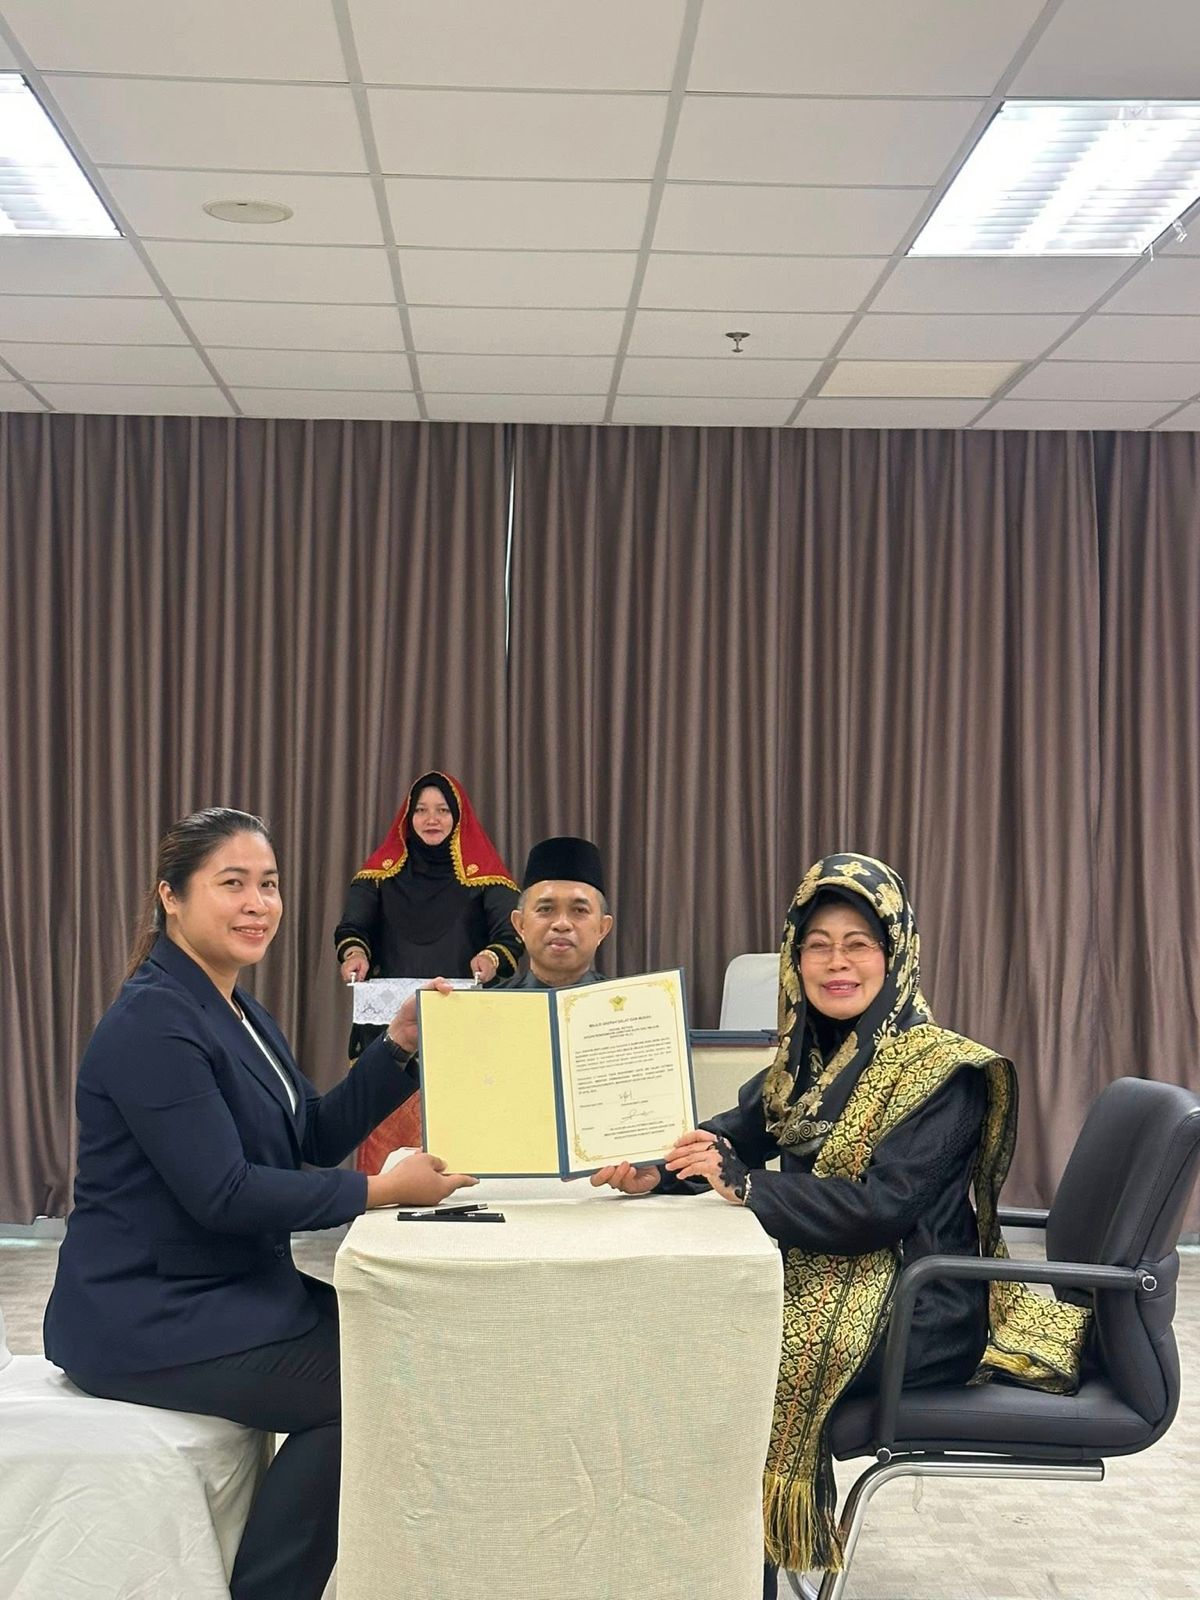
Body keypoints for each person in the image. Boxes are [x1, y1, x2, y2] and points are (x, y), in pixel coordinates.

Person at [592, 852, 1089, 1598]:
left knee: (724, 1359)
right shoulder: (807, 1057)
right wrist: (655, 1171)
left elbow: (879, 1210)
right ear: (794, 958)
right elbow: (732, 1135)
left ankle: (733, 1569)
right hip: (840, 1276)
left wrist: (749, 1186)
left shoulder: (943, 1073)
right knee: (687, 1328)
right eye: (817, 945)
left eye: (858, 944)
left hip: (925, 1307)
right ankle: (695, 1560)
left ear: (895, 953)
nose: (836, 963)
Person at [43, 807, 477, 1600]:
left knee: (402, 1337)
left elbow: (311, 1132)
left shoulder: (233, 1009)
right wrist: (380, 1192)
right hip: (147, 1316)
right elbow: (225, 1194)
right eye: (232, 884)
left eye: (269, 885)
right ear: (171, 896)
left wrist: (400, 1046)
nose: (258, 904)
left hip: (223, 1292)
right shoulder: (153, 1023)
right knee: (368, 1389)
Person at [335, 770, 521, 1169]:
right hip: (389, 1028)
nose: (431, 819)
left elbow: (511, 934)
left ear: (458, 817)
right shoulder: (379, 876)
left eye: (441, 810)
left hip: (463, 1024)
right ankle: (382, 1197)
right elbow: (354, 928)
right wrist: (354, 954)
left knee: (459, 1140)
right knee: (386, 1134)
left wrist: (490, 958)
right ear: (408, 818)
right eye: (420, 810)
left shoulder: (485, 878)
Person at [505, 835, 613, 989]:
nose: (562, 924)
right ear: (520, 924)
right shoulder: (489, 1002)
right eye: (545, 909)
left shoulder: (627, 1002)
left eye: (579, 910)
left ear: (603, 928)